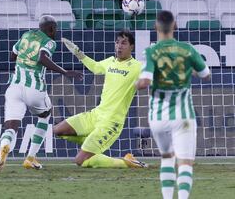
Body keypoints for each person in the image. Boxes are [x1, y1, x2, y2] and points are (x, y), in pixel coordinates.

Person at [136, 10, 211, 199]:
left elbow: (144, 83)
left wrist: (139, 83)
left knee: (167, 157)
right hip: (183, 116)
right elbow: (206, 74)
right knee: (185, 162)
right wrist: (191, 71)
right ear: (174, 26)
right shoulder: (187, 49)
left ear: (156, 27)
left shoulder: (151, 52)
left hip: (158, 118)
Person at [0, 15, 83, 171]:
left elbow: (12, 56)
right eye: (55, 28)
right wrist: (65, 72)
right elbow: (42, 57)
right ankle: (30, 158)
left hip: (14, 88)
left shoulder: (26, 35)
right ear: (51, 28)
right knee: (45, 115)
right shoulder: (49, 41)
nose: (55, 31)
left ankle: (4, 146)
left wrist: (25, 61)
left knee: (11, 127)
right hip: (34, 89)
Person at [53, 30, 147, 169]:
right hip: (96, 114)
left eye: (124, 43)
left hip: (111, 122)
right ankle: (90, 142)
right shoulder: (110, 62)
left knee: (81, 161)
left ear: (131, 47)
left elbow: (154, 77)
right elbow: (96, 68)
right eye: (117, 42)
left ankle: (126, 162)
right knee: (57, 130)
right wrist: (79, 54)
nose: (119, 46)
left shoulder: (137, 67)